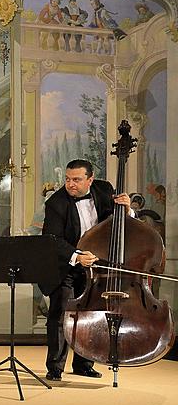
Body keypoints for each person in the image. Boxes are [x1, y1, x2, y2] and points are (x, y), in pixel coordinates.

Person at [41, 158, 131, 382]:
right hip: (66, 264)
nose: (70, 184)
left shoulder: (104, 191)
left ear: (90, 179)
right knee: (60, 316)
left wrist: (127, 210)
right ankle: (55, 367)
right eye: (68, 179)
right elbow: (52, 240)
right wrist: (77, 256)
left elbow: (118, 224)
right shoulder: (56, 203)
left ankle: (83, 365)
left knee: (89, 316)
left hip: (96, 266)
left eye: (77, 180)